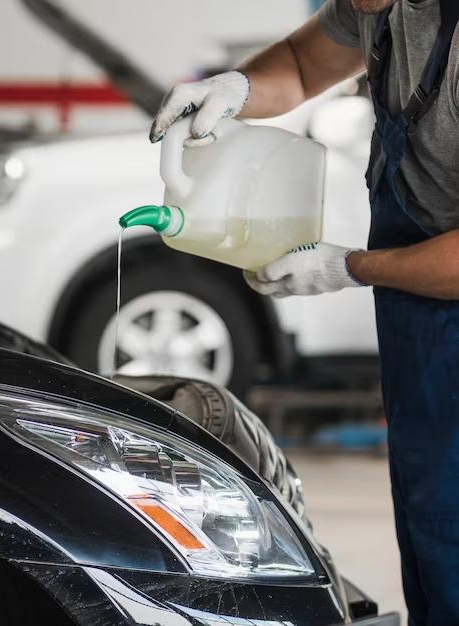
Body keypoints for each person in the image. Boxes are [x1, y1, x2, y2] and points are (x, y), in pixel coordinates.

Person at [150, 1, 459, 624]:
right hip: (420, 322)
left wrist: (346, 266)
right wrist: (234, 89)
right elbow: (297, 64)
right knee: (429, 527)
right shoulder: (380, 4)